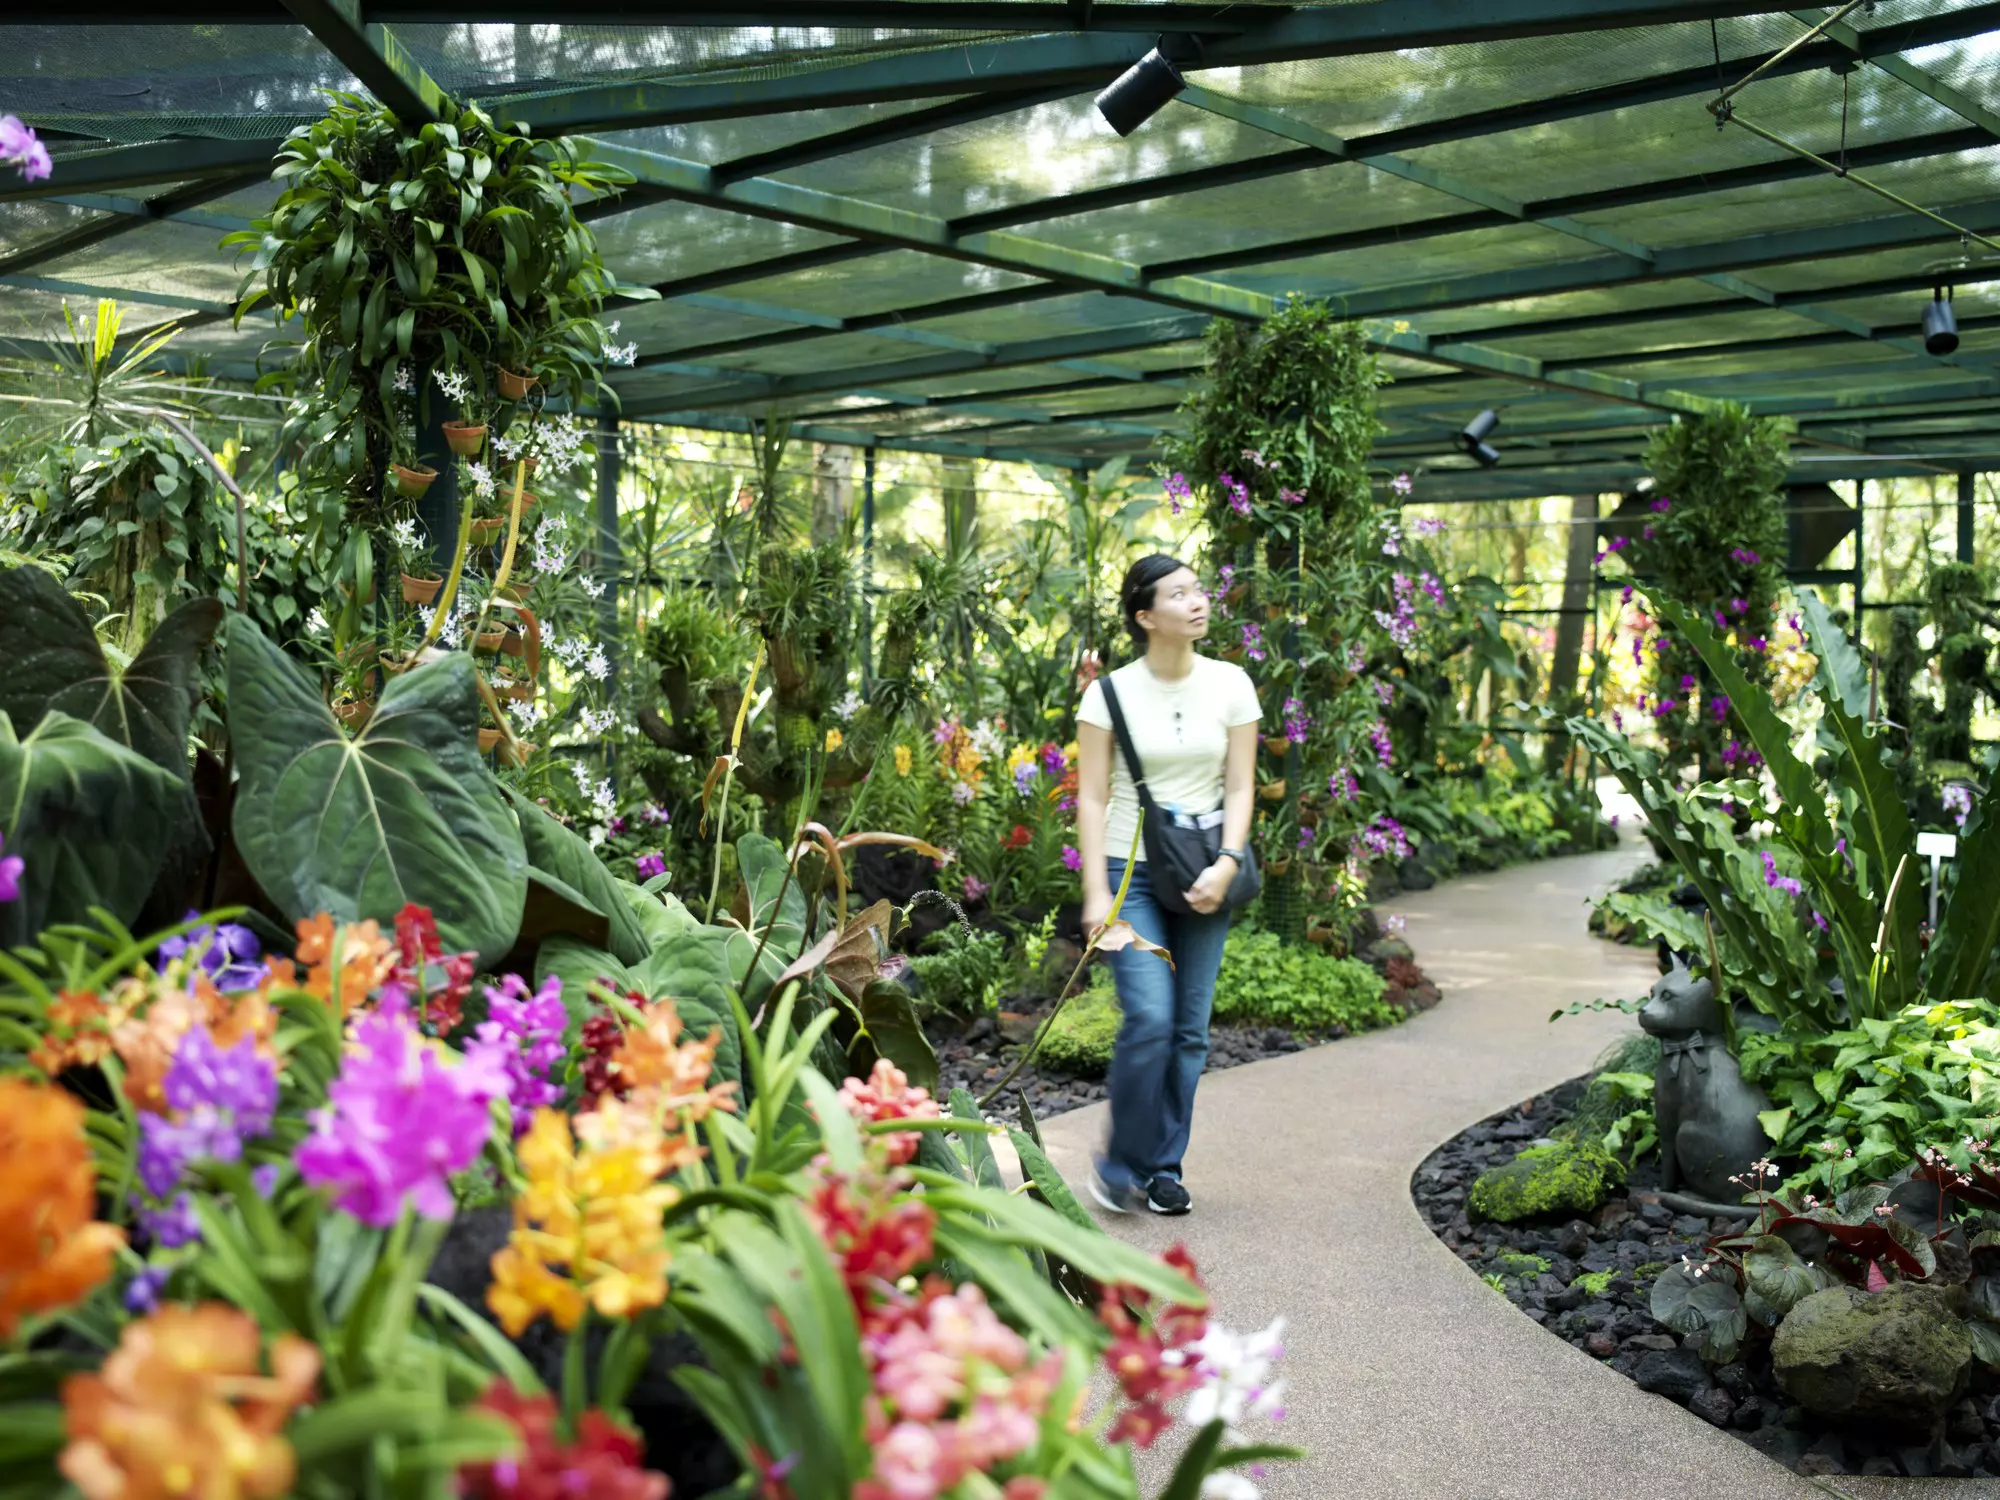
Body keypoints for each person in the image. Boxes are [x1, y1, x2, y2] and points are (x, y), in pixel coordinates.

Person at [1074, 553, 1259, 1215]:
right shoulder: (1109, 695)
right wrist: (1096, 893)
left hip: (1208, 864)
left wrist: (1230, 861)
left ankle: (1162, 1169)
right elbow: (1091, 797)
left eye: (1197, 589)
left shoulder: (1232, 684)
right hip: (1133, 876)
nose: (1197, 601)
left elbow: (1241, 783)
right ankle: (1120, 1162)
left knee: (1188, 1029)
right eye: (1178, 595)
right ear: (1146, 616)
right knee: (1150, 1017)